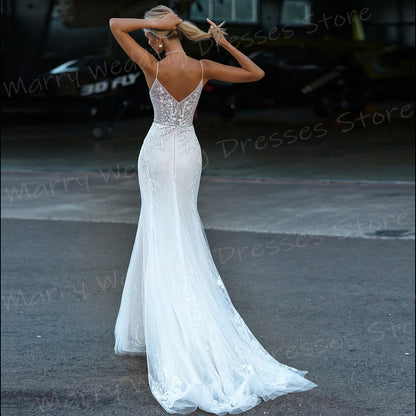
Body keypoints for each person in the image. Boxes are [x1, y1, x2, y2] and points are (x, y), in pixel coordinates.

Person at [109, 5, 317, 415]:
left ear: (156, 35)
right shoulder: (203, 66)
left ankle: (172, 332)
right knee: (180, 227)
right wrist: (224, 44)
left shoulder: (150, 62)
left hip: (157, 150)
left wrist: (154, 25)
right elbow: (256, 74)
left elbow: (115, 25)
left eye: (152, 31)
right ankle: (165, 324)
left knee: (160, 229)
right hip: (187, 151)